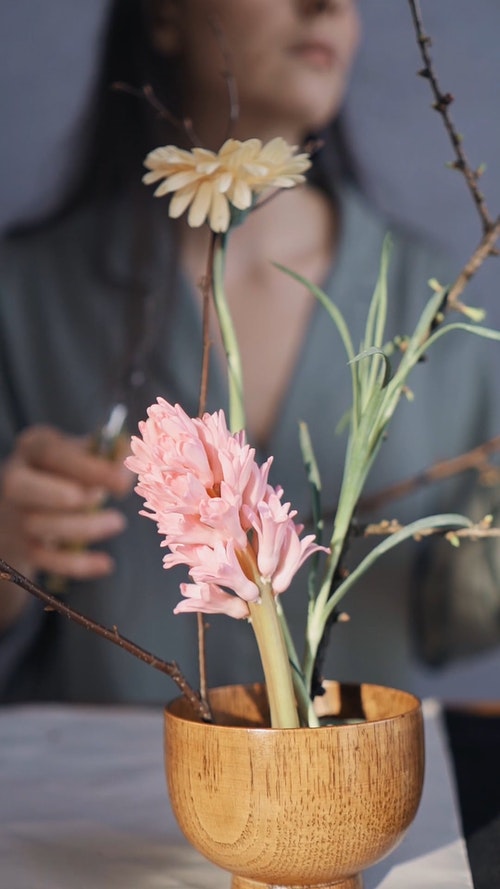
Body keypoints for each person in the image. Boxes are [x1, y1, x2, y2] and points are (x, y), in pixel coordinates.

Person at [0, 0, 498, 704]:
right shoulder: (27, 295)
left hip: (352, 798)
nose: (326, 6)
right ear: (165, 15)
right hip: (89, 798)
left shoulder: (440, 308)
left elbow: (457, 612)